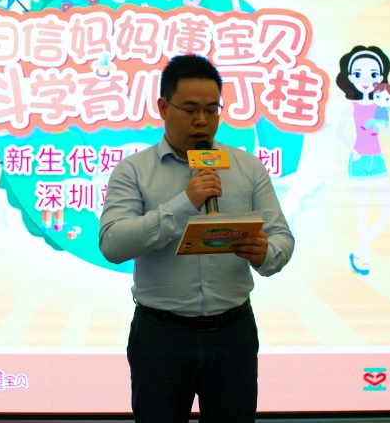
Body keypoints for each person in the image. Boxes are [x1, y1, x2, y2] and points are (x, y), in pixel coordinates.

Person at [99, 54, 294, 422]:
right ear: (163, 107)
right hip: (161, 335)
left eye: (210, 109)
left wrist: (265, 253)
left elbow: (281, 237)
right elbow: (113, 244)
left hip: (233, 333)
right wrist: (184, 203)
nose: (202, 120)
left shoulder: (247, 168)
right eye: (189, 109)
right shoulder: (134, 171)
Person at [335, 46, 390, 276]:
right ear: (351, 78)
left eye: (373, 74)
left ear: (381, 77)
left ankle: (358, 251)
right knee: (362, 213)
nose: (366, 80)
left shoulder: (381, 106)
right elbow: (339, 132)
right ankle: (364, 259)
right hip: (358, 162)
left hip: (378, 160)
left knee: (387, 212)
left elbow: (387, 132)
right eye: (359, 74)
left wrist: (384, 119)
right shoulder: (351, 106)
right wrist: (354, 151)